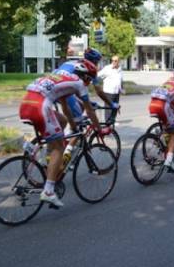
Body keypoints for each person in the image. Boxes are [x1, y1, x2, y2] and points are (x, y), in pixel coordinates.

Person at [19, 61, 109, 207]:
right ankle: (48, 191)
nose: (88, 84)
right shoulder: (78, 83)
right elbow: (90, 111)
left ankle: (47, 157)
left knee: (62, 121)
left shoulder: (61, 78)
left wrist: (74, 127)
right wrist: (99, 130)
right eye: (89, 80)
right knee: (59, 148)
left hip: (26, 105)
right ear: (85, 77)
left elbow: (65, 108)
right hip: (40, 107)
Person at [54, 48, 115, 162]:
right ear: (95, 61)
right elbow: (98, 91)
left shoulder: (71, 62)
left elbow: (74, 91)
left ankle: (67, 136)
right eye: (97, 62)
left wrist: (86, 103)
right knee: (80, 124)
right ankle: (67, 150)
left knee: (75, 112)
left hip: (52, 87)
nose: (97, 64)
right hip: (63, 91)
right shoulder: (89, 70)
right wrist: (111, 104)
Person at [98, 55, 124, 122]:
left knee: (115, 107)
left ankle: (112, 120)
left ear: (119, 61)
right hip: (108, 92)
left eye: (115, 61)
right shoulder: (107, 68)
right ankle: (107, 122)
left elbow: (121, 80)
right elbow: (98, 75)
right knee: (108, 108)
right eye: (112, 60)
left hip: (116, 92)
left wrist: (122, 89)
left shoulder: (120, 69)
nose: (114, 62)